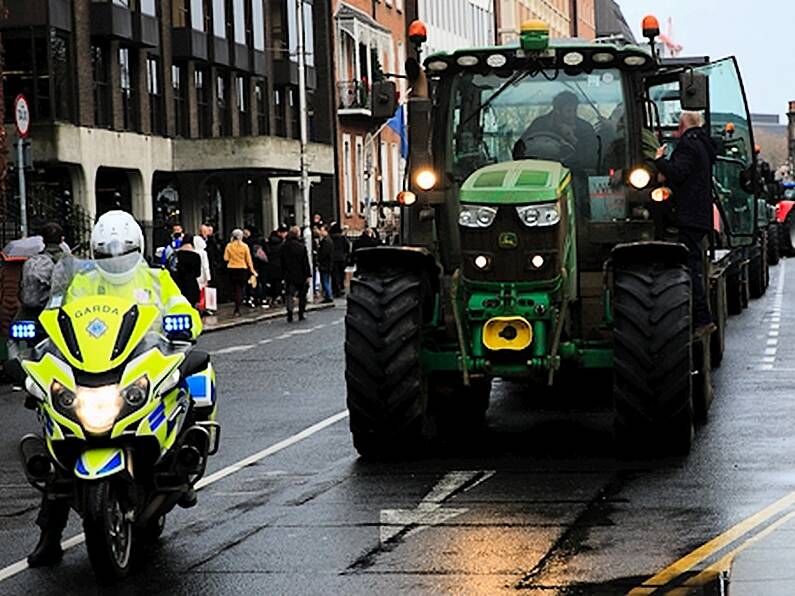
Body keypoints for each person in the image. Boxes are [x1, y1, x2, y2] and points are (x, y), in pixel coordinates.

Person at [27, 210, 201, 568]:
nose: (115, 260)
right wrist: (42, 333)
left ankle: (183, 469)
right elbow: (56, 313)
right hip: (91, 367)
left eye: (121, 253)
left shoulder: (155, 279)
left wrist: (183, 323)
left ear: (136, 248)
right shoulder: (83, 282)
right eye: (107, 254)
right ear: (96, 253)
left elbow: (183, 311)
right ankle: (49, 536)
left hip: (135, 363)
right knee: (59, 439)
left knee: (190, 382)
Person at [655, 111, 718, 337]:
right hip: (700, 216)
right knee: (693, 264)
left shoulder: (688, 146)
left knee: (689, 267)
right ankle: (701, 317)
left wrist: (660, 160)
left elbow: (679, 172)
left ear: (682, 124)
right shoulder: (703, 145)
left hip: (689, 216)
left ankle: (702, 318)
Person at [515, 91, 599, 171]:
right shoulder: (539, 124)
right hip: (541, 169)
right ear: (557, 111)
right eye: (569, 111)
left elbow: (592, 159)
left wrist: (573, 139)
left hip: (574, 174)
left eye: (575, 110)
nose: (573, 115)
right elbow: (520, 149)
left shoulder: (585, 128)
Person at [281, 226, 311, 322]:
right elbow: (305, 262)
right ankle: (301, 313)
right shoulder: (301, 246)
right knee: (302, 295)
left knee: (289, 294)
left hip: (288, 274)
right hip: (301, 274)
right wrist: (308, 275)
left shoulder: (284, 246)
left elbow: (282, 261)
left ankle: (289, 313)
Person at [224, 229, 257, 316]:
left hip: (231, 268)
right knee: (241, 288)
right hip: (242, 268)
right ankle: (238, 305)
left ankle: (236, 304)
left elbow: (226, 258)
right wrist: (252, 270)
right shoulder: (245, 246)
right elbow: (248, 260)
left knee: (235, 287)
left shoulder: (229, 246)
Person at [172, 233, 202, 309]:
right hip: (191, 284)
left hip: (178, 284)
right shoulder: (196, 256)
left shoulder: (176, 254)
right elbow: (198, 273)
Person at [265, 227, 286, 305]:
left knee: (271, 282)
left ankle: (272, 297)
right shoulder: (281, 244)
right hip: (279, 266)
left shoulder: (268, 244)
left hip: (269, 265)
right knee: (278, 282)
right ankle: (277, 296)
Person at [193, 234, 212, 313]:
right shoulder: (203, 253)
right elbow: (205, 266)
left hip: (196, 275)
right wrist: (208, 277)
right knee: (203, 291)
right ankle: (203, 306)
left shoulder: (193, 252)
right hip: (202, 275)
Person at [330, 223, 350, 297]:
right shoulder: (342, 238)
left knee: (335, 275)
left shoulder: (331, 238)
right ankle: (341, 287)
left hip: (333, 259)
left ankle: (335, 289)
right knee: (341, 274)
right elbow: (347, 247)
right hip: (341, 258)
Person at [317, 225, 334, 303]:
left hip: (325, 264)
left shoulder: (326, 241)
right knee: (326, 280)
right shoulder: (327, 240)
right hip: (327, 264)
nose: (321, 232)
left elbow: (324, 253)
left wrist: (319, 258)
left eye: (322, 230)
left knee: (325, 280)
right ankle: (328, 295)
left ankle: (328, 295)